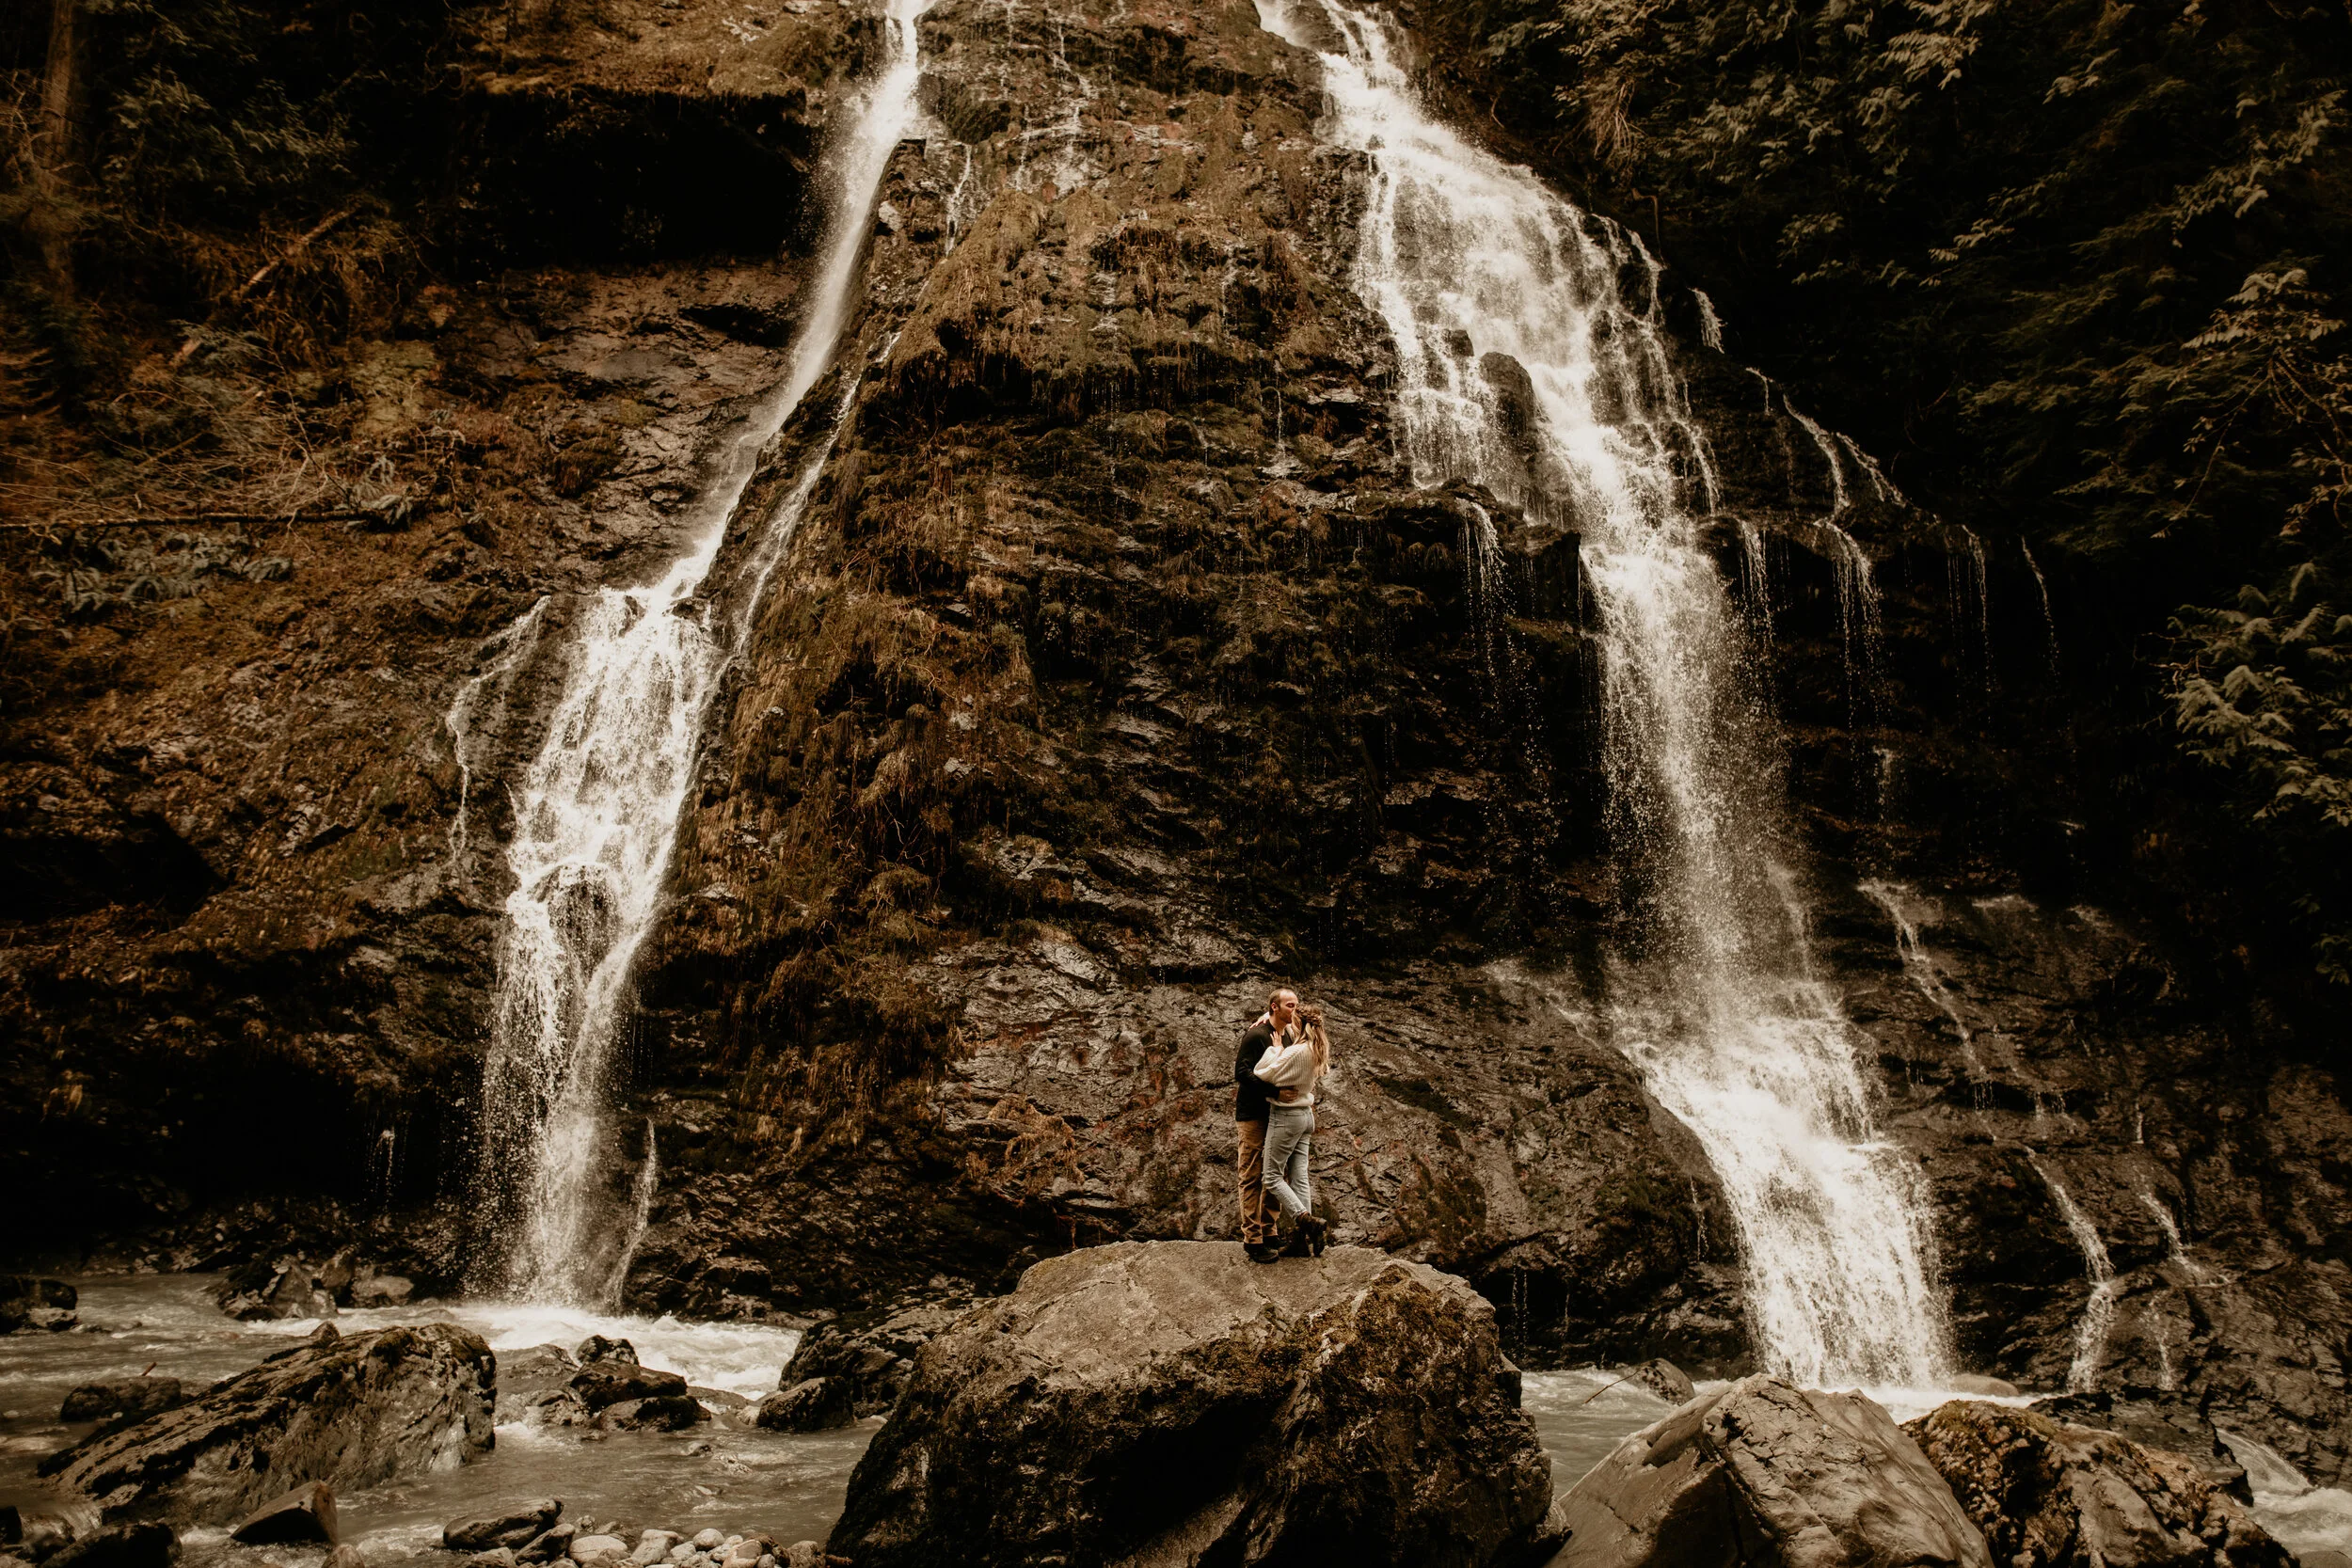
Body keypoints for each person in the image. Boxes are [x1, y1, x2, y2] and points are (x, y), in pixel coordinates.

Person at [1255, 1003, 1330, 1257]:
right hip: (1306, 1117)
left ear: (1299, 1025)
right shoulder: (1315, 1048)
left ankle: (1306, 1221)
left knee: (1271, 1176)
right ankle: (1301, 1243)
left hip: (1286, 1118)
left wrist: (1275, 1050)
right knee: (1300, 1177)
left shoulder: (1295, 1051)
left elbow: (1263, 1073)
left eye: (1293, 1020)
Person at [1233, 990, 1299, 1265]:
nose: (1295, 1009)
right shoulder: (1256, 1036)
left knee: (1276, 1173)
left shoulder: (1288, 1033)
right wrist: (1273, 1090)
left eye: (1296, 1005)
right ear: (1275, 1007)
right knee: (1251, 1174)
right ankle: (1252, 1239)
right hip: (1252, 1115)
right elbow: (1241, 1072)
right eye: (1290, 1005)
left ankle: (1269, 1231)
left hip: (1276, 1114)